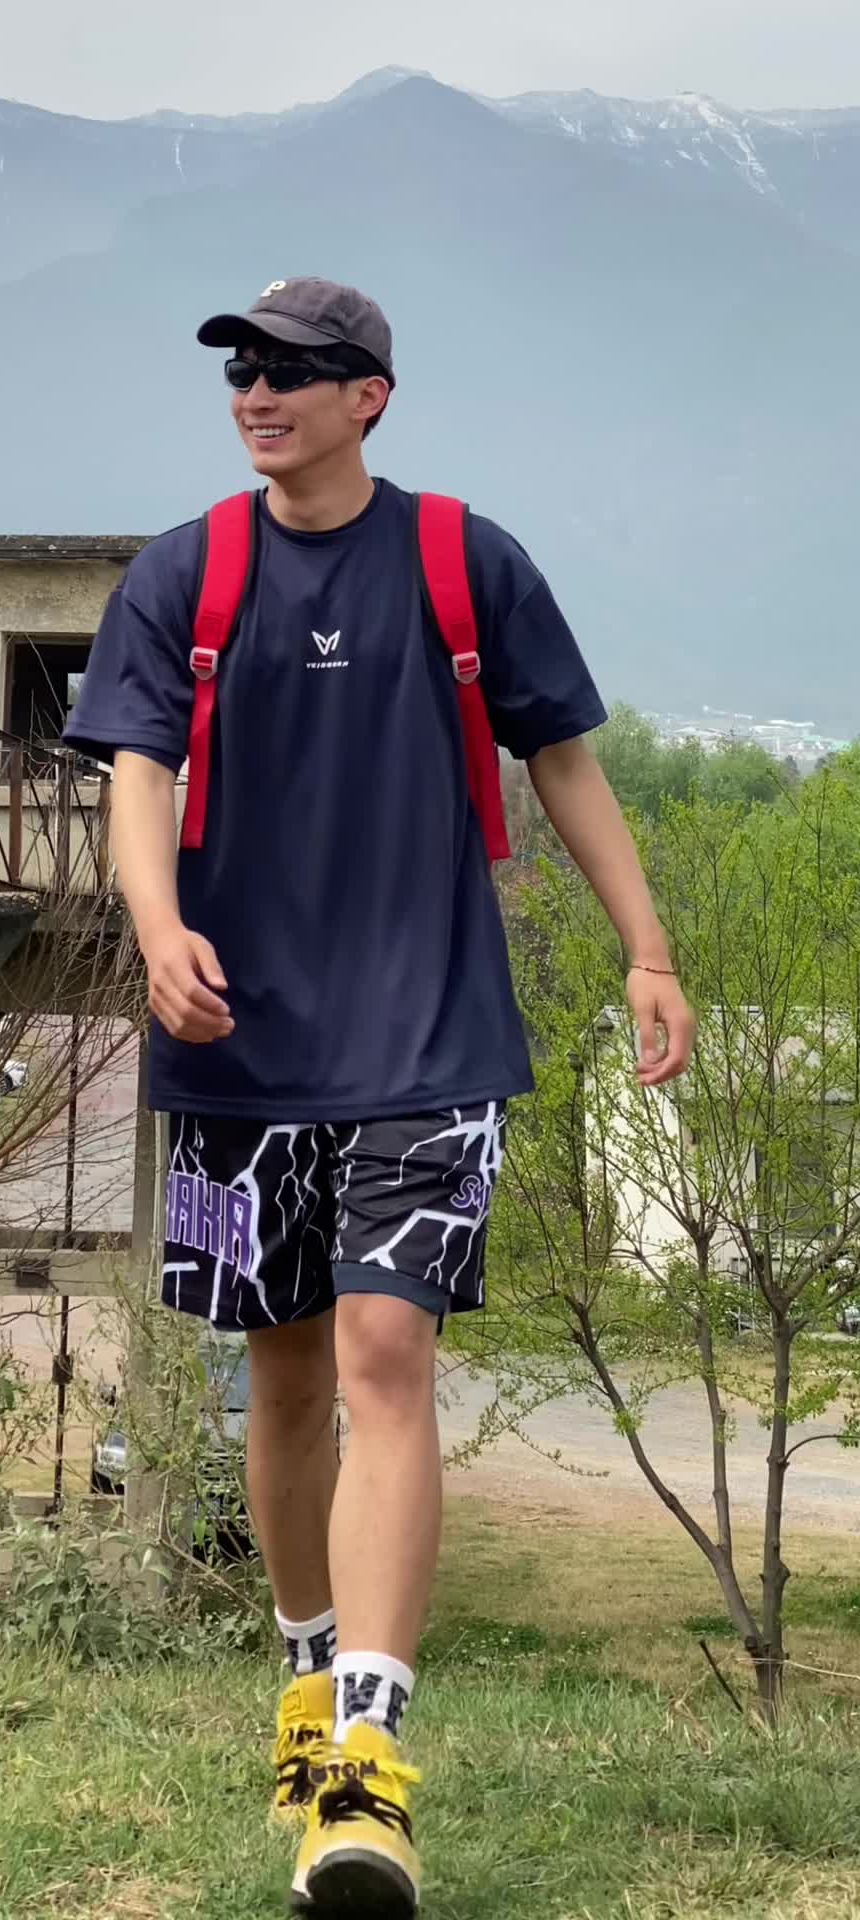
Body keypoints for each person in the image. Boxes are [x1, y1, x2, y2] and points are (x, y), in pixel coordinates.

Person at [64, 276, 696, 1917]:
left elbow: (563, 757)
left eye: (293, 370)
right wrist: (155, 928)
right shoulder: (184, 573)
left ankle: (365, 1762)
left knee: (384, 1354)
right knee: (280, 1383)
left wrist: (647, 950)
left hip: (430, 1036)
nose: (256, 392)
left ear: (372, 398)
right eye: (241, 368)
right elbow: (137, 770)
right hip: (235, 1046)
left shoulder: (466, 562)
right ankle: (305, 1670)